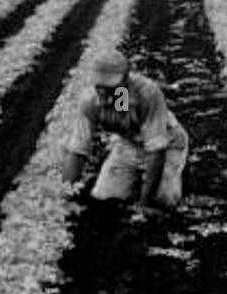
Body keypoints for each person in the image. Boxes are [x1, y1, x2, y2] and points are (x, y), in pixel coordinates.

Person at [61, 50, 188, 210]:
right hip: (129, 143)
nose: (105, 92)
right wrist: (64, 195)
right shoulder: (89, 100)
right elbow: (77, 151)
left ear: (126, 80)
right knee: (103, 197)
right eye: (100, 86)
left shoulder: (148, 93)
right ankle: (134, 180)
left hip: (169, 143)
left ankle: (163, 179)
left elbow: (157, 151)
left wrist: (144, 204)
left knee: (163, 201)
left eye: (111, 87)